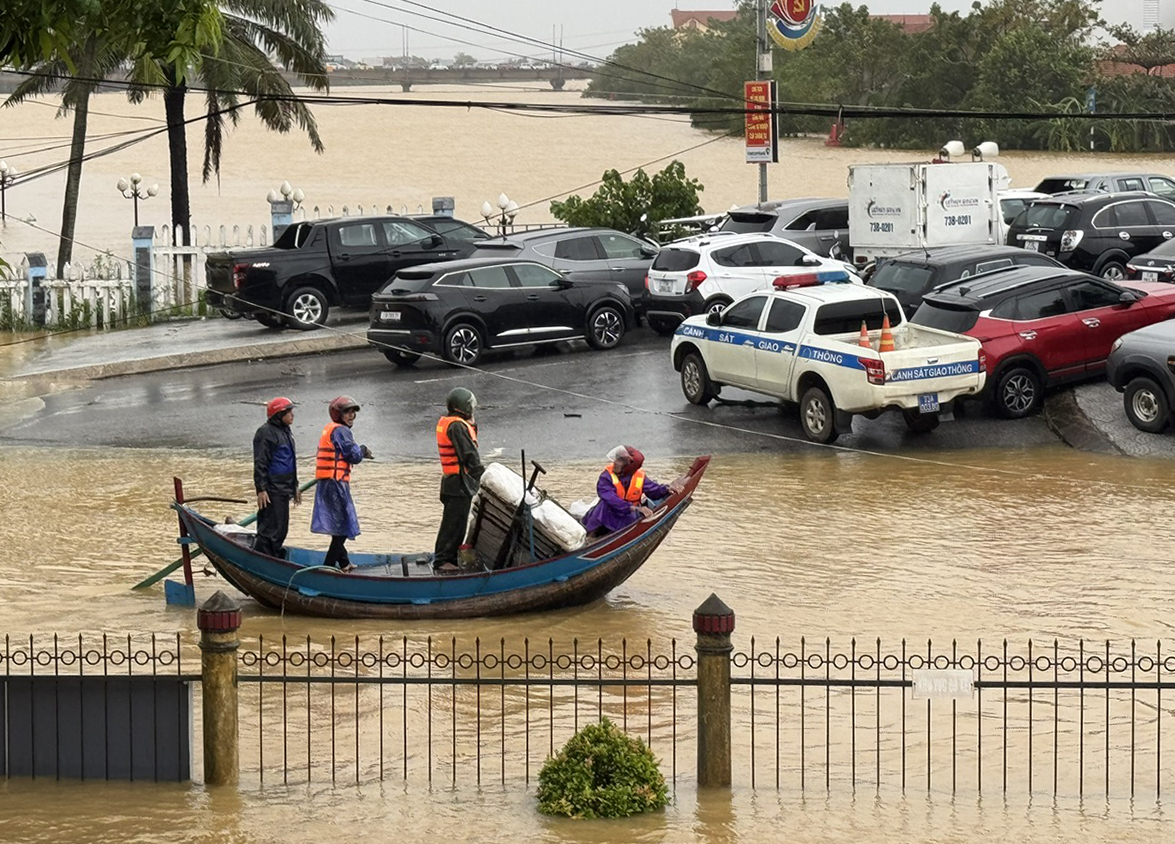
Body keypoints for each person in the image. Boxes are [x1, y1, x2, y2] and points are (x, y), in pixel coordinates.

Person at [311, 396, 373, 572]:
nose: (352, 415)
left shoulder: (331, 429)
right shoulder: (341, 431)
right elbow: (353, 455)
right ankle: (328, 566)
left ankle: (344, 563)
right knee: (343, 526)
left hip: (327, 482)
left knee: (337, 524)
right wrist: (363, 449)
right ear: (338, 414)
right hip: (334, 483)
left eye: (353, 411)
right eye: (347, 411)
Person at [434, 387, 484, 572]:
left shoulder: (452, 423)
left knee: (456, 523)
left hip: (452, 482)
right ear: (465, 406)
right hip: (458, 484)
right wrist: (482, 476)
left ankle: (448, 557)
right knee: (453, 525)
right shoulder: (457, 426)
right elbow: (469, 454)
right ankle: (442, 560)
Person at [583, 445, 682, 537]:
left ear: (629, 466)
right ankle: (591, 537)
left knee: (632, 523)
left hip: (627, 516)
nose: (615, 462)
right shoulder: (606, 476)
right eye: (617, 458)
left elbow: (653, 490)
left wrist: (667, 488)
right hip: (609, 512)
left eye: (620, 460)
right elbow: (610, 498)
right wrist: (632, 508)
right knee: (602, 508)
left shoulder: (639, 477)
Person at [253, 396, 300, 558]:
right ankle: (264, 557)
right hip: (273, 488)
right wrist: (261, 489)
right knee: (272, 528)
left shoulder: (285, 431)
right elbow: (260, 462)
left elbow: (290, 461)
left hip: (284, 486)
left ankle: (272, 554)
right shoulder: (265, 433)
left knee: (281, 528)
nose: (292, 415)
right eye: (288, 412)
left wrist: (295, 486)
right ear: (279, 415)